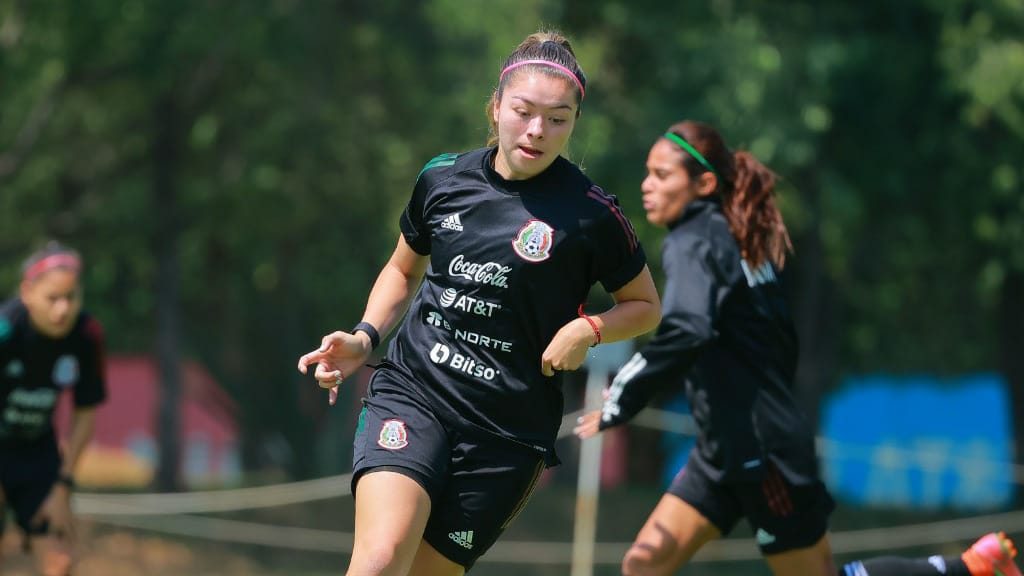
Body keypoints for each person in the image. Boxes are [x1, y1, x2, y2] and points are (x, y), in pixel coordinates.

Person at [574, 121, 1021, 576]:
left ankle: (970, 568)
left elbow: (688, 327)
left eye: (662, 175)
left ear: (704, 183)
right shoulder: (738, 240)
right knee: (642, 566)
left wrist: (623, 397)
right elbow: (778, 343)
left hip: (765, 454)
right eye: (648, 173)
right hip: (723, 450)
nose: (647, 186)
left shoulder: (693, 240)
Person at [297, 30, 661, 576]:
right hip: (414, 393)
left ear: (574, 124)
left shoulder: (592, 217)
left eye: (558, 119)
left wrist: (588, 329)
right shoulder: (442, 179)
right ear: (496, 108)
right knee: (378, 560)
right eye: (524, 111)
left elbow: (645, 307)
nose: (538, 130)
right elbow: (403, 267)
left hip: (506, 434)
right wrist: (365, 336)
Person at [0, 242, 106, 576]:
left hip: (37, 453)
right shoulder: (5, 330)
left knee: (60, 561)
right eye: (52, 298)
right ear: (27, 292)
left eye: (71, 298)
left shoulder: (87, 335)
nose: (62, 309)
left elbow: (85, 414)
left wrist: (63, 486)